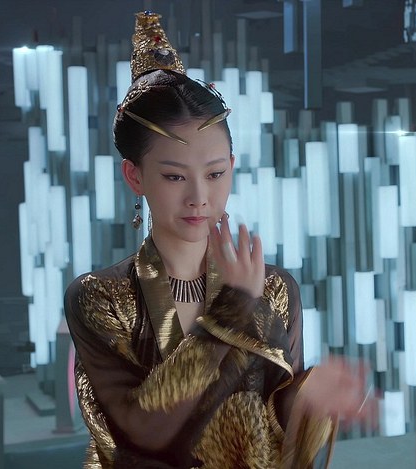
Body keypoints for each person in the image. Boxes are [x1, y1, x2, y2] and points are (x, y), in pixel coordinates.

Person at [64, 11, 369, 469]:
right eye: (174, 176)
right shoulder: (99, 297)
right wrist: (233, 310)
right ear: (134, 175)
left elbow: (272, 414)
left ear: (232, 166)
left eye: (215, 174)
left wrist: (311, 399)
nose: (199, 197)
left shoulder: (274, 288)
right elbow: (141, 429)